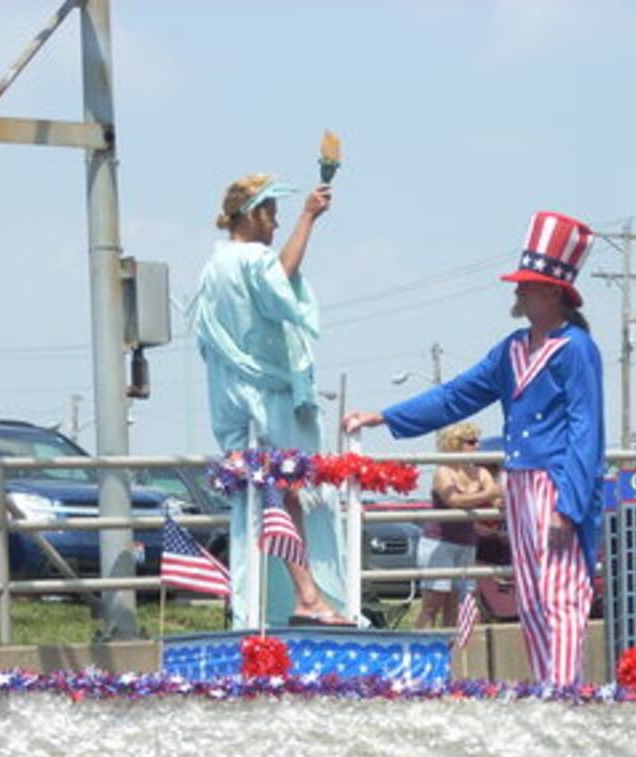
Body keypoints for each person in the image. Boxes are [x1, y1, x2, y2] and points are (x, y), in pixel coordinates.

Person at [344, 211, 604, 685]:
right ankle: (548, 684)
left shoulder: (576, 349)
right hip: (519, 483)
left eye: (526, 285)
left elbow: (585, 431)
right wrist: (384, 416)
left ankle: (565, 691)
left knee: (560, 591)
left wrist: (568, 505)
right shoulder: (512, 350)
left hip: (556, 481)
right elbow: (456, 395)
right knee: (531, 595)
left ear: (552, 291)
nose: (517, 292)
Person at [189, 173, 349, 627]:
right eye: (272, 216)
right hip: (265, 392)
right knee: (287, 488)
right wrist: (309, 218)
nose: (275, 226)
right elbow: (281, 281)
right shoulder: (252, 259)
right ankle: (307, 596)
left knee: (260, 498)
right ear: (255, 215)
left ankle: (270, 602)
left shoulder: (212, 267)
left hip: (230, 394)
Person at [414, 421, 501, 629]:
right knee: (432, 604)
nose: (477, 446)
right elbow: (454, 500)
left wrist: (499, 499)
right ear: (455, 444)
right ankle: (420, 652)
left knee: (456, 606)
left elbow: (497, 499)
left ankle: (451, 656)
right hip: (438, 543)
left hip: (466, 544)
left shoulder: (481, 473)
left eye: (477, 441)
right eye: (471, 442)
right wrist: (489, 494)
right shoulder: (443, 472)